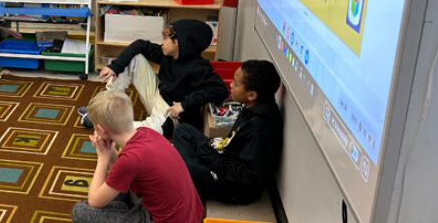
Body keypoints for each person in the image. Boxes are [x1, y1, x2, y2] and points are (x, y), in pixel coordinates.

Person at [71, 90, 203, 223]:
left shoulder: (130, 159)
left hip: (163, 219)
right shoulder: (146, 132)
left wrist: (103, 158)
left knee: (80, 211)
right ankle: (123, 207)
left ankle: (125, 209)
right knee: (118, 186)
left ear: (101, 129)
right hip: (189, 212)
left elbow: (94, 201)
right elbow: (123, 171)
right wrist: (110, 152)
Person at [82, 19, 229, 134]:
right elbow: (140, 44)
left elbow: (221, 90)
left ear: (178, 43)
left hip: (170, 114)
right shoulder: (167, 54)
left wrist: (185, 105)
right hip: (157, 96)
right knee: (135, 57)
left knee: (149, 132)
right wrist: (116, 66)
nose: (162, 42)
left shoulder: (199, 67)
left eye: (166, 39)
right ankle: (107, 107)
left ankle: (103, 122)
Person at [172, 60, 283, 204]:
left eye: (236, 84)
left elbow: (247, 176)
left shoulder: (259, 128)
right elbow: (229, 143)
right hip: (225, 156)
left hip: (235, 187)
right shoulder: (254, 106)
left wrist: (210, 158)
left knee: (178, 168)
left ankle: (192, 174)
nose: (231, 85)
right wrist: (210, 151)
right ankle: (192, 174)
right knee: (183, 130)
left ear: (251, 95)